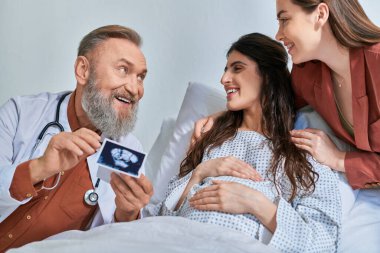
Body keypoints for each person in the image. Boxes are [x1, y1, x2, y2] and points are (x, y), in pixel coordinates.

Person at [144, 33, 341, 253]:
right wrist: (201, 172)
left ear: (267, 76)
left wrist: (255, 203)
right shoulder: (211, 139)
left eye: (237, 68)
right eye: (225, 69)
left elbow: (323, 242)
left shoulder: (301, 153)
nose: (223, 79)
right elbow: (162, 216)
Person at [194, 0, 380, 190]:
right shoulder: (307, 72)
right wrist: (224, 116)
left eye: (284, 20)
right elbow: (274, 102)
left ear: (321, 14)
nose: (278, 34)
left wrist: (339, 159)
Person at [0, 25, 153, 251]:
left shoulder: (126, 150)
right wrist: (39, 168)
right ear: (83, 70)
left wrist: (128, 212)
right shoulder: (21, 113)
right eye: (123, 69)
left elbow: (112, 242)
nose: (135, 88)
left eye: (140, 77)